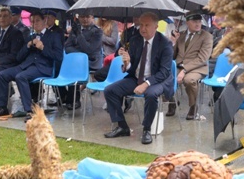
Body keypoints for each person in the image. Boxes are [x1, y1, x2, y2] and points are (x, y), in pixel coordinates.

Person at [103, 12, 174, 145]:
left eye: (147, 25)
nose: (143, 28)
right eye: (141, 25)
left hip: (158, 79)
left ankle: (146, 129)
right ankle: (122, 126)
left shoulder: (165, 44)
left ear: (156, 26)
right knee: (109, 90)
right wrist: (127, 63)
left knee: (151, 94)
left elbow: (164, 72)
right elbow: (131, 68)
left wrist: (146, 84)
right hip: (137, 78)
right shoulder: (135, 40)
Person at [0, 11, 63, 121]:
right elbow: (18, 57)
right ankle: (2, 107)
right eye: (32, 22)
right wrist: (28, 45)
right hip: (26, 66)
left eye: (37, 21)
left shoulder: (53, 36)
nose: (34, 24)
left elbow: (58, 56)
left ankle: (29, 111)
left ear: (44, 20)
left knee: (21, 77)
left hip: (43, 67)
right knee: (2, 74)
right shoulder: (30, 36)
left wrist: (43, 48)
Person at [167, 12, 213, 119]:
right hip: (179, 65)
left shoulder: (207, 36)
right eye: (194, 21)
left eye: (199, 21)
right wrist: (173, 42)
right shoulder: (181, 35)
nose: (197, 24)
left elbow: (202, 59)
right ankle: (172, 102)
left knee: (189, 80)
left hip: (197, 67)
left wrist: (184, 70)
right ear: (187, 22)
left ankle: (193, 106)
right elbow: (172, 55)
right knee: (163, 76)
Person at [60, 13, 103, 109]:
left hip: (92, 61)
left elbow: (90, 49)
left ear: (92, 17)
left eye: (87, 16)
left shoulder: (97, 31)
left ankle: (74, 99)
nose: (85, 19)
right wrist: (80, 54)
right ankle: (65, 96)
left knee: (75, 66)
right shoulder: (76, 29)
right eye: (82, 17)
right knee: (63, 64)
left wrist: (79, 35)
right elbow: (67, 47)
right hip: (78, 60)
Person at [0, 7, 24, 105]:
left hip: (8, 63)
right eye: (0, 16)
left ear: (10, 18)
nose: (2, 19)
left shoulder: (16, 33)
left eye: (5, 16)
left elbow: (14, 55)